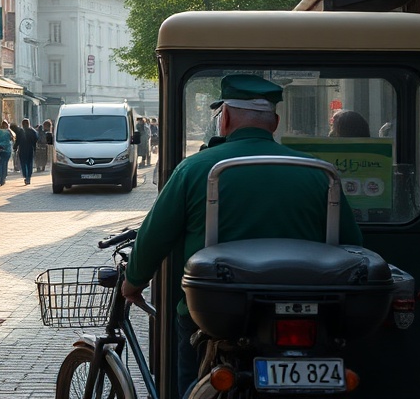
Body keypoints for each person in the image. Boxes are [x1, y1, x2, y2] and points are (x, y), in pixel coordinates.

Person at [120, 75, 362, 397]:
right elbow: (352, 244)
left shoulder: (195, 169)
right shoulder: (318, 171)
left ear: (226, 118)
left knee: (192, 380)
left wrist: (133, 282)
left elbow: (155, 236)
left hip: (216, 313)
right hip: (308, 307)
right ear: (274, 123)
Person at [15, 118, 38, 185]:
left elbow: (17, 141)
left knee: (23, 163)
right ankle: (28, 177)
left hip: (22, 149)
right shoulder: (32, 131)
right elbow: (36, 139)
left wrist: (15, 146)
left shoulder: (20, 131)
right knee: (29, 163)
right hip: (30, 148)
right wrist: (34, 146)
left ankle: (26, 175)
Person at [0, 120, 14, 186]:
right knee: (4, 164)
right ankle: (3, 179)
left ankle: (0, 176)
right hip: (7, 150)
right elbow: (12, 139)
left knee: (0, 163)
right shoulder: (9, 132)